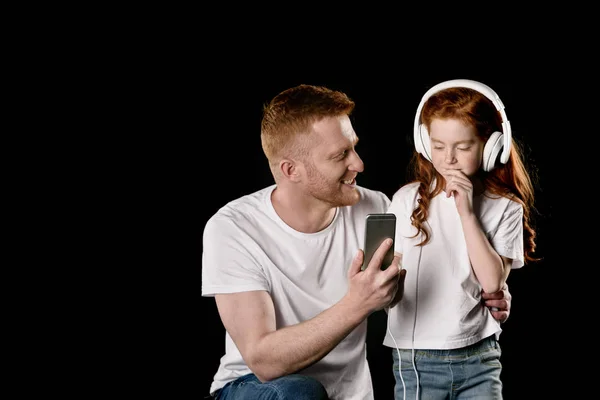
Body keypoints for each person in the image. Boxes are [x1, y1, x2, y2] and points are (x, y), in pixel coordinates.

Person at [201, 83, 512, 400]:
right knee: (298, 392)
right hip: (254, 388)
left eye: (354, 147)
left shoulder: (377, 210)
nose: (359, 164)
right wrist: (358, 302)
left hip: (348, 394)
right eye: (340, 155)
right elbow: (264, 361)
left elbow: (441, 262)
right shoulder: (234, 228)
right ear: (290, 170)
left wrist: (490, 291)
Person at [384, 79, 539, 400]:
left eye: (463, 147)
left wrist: (466, 212)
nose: (448, 159)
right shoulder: (406, 200)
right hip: (418, 359)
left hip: (480, 355)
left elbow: (493, 282)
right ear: (424, 144)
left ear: (491, 146)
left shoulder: (505, 206)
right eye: (438, 146)